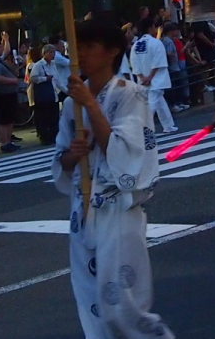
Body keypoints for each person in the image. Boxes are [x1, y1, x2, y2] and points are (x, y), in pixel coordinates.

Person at [52, 18, 174, 339]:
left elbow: (125, 152)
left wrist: (91, 105)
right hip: (83, 208)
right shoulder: (70, 105)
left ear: (111, 53)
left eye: (89, 47)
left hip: (116, 207)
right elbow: (62, 159)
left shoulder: (130, 94)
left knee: (122, 301)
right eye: (78, 47)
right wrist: (72, 154)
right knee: (90, 298)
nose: (81, 54)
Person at [131, 18, 177, 133]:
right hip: (156, 79)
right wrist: (150, 77)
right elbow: (158, 62)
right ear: (150, 28)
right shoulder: (156, 43)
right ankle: (142, 128)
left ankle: (168, 126)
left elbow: (134, 63)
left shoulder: (136, 45)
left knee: (159, 102)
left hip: (143, 79)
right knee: (152, 104)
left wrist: (142, 77)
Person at [0, 39, 23, 152]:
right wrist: (12, 81)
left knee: (10, 119)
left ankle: (8, 140)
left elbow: (6, 51)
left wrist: (6, 39)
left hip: (9, 93)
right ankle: (4, 142)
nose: (1, 49)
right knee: (3, 120)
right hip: (1, 93)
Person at [164, 23, 190, 112]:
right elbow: (169, 54)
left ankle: (179, 103)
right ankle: (174, 104)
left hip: (174, 66)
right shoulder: (168, 41)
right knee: (174, 86)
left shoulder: (169, 40)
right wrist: (171, 63)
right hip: (173, 67)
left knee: (177, 85)